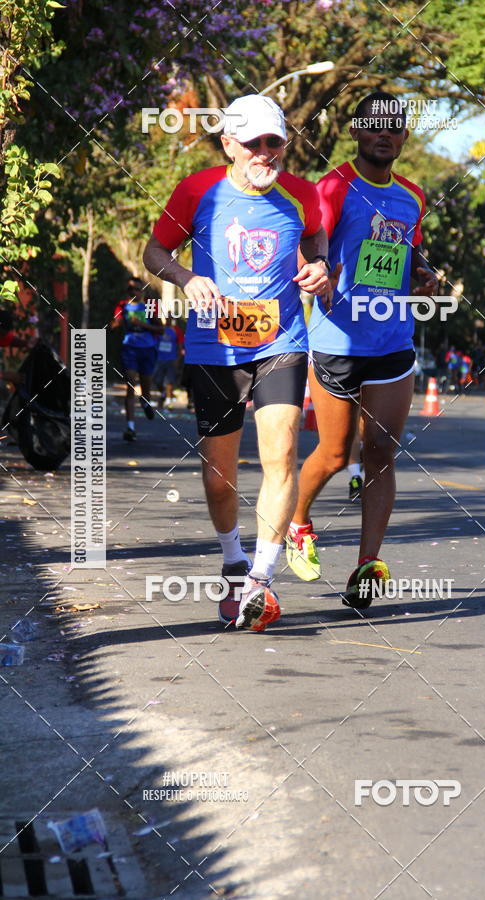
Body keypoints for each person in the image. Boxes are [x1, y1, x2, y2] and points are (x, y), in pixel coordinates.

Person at [143, 93, 329, 632]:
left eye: (275, 142)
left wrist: (319, 268)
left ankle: (262, 581)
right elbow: (154, 252)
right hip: (214, 347)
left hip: (282, 340)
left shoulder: (302, 194)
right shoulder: (197, 190)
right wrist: (186, 278)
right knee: (219, 476)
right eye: (254, 143)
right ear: (229, 144)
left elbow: (316, 241)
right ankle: (233, 562)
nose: (266, 153)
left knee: (283, 453)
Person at [286, 90, 438, 607]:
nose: (385, 133)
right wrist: (320, 266)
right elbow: (313, 239)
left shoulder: (413, 196)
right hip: (336, 342)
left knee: (381, 454)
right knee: (332, 455)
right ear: (356, 131)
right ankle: (299, 521)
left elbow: (410, 250)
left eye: (394, 127)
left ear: (404, 136)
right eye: (375, 126)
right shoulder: (333, 186)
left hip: (392, 341)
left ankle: (367, 566)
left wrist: (424, 275)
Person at [110, 277, 163, 441]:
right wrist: (116, 323)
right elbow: (113, 325)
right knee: (130, 385)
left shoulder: (148, 306)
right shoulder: (122, 306)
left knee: (146, 387)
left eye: (137, 289)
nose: (133, 292)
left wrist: (142, 324)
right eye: (130, 290)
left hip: (147, 349)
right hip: (129, 349)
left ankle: (146, 401)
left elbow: (160, 329)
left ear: (142, 291)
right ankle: (130, 428)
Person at [153, 313, 184, 409]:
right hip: (159, 359)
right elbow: (154, 343)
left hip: (171, 359)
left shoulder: (176, 330)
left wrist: (177, 359)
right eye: (167, 318)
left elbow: (180, 346)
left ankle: (169, 402)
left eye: (170, 318)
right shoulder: (160, 329)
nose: (168, 320)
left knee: (169, 381)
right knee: (157, 381)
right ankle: (163, 393)